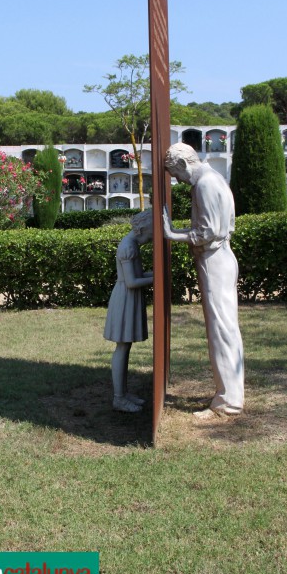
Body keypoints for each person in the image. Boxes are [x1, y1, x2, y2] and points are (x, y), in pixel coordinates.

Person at [163, 143, 244, 419]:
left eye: (175, 174)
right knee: (225, 329)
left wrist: (173, 235)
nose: (177, 180)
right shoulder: (215, 179)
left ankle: (228, 401)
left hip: (214, 260)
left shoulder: (204, 184)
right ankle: (229, 395)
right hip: (221, 257)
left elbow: (207, 232)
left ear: (184, 165)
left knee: (221, 331)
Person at [104, 210, 154, 413]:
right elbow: (132, 282)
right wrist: (157, 278)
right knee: (122, 347)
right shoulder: (127, 247)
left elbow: (137, 274)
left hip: (129, 297)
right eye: (151, 234)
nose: (151, 238)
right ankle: (119, 397)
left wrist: (153, 273)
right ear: (143, 229)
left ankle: (123, 393)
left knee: (126, 347)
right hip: (125, 298)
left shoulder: (131, 244)